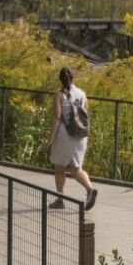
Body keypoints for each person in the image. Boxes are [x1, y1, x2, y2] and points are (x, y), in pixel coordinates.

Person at [47, 67, 97, 210]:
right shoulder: (82, 94)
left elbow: (57, 118)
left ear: (60, 79)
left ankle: (60, 199)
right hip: (80, 135)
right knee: (76, 169)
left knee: (59, 168)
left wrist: (50, 140)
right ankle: (89, 189)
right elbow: (84, 113)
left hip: (65, 134)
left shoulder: (59, 95)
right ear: (73, 78)